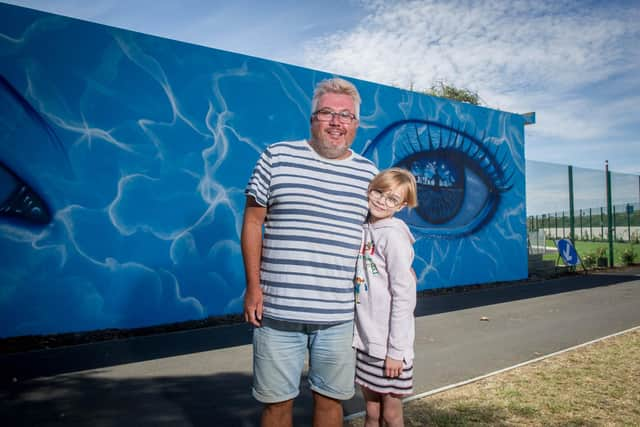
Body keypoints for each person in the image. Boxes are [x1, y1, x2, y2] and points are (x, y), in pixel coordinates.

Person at [241, 77, 378, 427]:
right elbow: (253, 223)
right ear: (312, 118)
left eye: (346, 116)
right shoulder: (277, 157)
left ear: (356, 125)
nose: (336, 122)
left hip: (339, 316)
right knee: (275, 406)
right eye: (327, 113)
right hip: (277, 311)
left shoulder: (368, 174)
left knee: (331, 403)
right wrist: (253, 288)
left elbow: (378, 239)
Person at [352, 168, 418, 427]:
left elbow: (404, 296)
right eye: (379, 192)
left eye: (391, 199)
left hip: (390, 347)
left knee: (391, 414)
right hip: (367, 343)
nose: (381, 201)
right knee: (371, 412)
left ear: (401, 206)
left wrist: (395, 351)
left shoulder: (393, 236)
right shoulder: (365, 228)